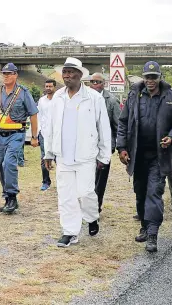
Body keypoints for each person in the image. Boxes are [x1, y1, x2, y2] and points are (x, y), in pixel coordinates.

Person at [117, 61, 172, 253]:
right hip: (137, 154)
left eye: (154, 77)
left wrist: (171, 138)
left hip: (159, 155)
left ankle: (153, 234)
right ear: (143, 78)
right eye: (147, 77)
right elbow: (123, 123)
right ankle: (145, 227)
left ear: (160, 77)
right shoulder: (134, 95)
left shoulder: (171, 97)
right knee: (140, 193)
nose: (150, 81)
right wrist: (122, 147)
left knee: (154, 192)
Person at [44, 57, 111, 248]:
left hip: (86, 155)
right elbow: (50, 127)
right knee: (66, 195)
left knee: (86, 192)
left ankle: (91, 217)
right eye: (65, 72)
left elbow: (103, 127)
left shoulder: (94, 97)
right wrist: (48, 152)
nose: (67, 75)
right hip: (63, 155)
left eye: (71, 71)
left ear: (80, 75)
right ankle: (70, 232)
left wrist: (104, 155)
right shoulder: (57, 97)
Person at [0, 63, 39, 214]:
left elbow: (33, 114)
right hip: (0, 136)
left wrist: (34, 137)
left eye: (9, 73)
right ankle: (7, 197)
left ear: (15, 75)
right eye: (4, 73)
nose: (6, 76)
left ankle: (12, 196)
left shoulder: (23, 92)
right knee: (1, 166)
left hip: (16, 134)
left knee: (9, 163)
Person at [89, 72, 121, 213]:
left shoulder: (112, 101)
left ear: (104, 84)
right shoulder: (84, 98)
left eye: (98, 82)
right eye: (92, 82)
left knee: (100, 179)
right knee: (88, 178)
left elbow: (118, 126)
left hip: (104, 147)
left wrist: (117, 147)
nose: (95, 84)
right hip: (87, 146)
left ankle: (96, 206)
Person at [37, 79, 57, 191]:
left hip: (57, 134)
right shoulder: (42, 101)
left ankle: (62, 181)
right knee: (44, 158)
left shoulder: (59, 100)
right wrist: (38, 131)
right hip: (44, 134)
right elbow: (39, 116)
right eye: (46, 86)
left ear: (54, 87)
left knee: (59, 158)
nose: (48, 88)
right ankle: (46, 182)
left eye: (50, 86)